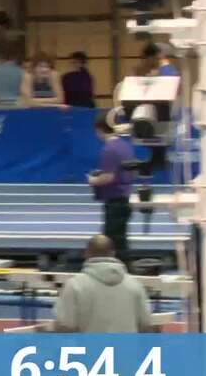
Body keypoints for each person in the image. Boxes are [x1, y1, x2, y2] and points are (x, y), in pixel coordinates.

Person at [55, 234, 153, 333]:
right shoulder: (135, 285)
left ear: (86, 254)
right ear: (113, 253)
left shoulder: (74, 285)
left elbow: (65, 325)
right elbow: (145, 324)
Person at [89, 114, 135, 259]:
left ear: (100, 130)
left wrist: (93, 180)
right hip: (125, 198)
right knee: (121, 241)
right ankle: (124, 266)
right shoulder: (125, 146)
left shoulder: (109, 149)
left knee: (112, 242)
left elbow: (108, 177)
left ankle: (119, 267)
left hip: (115, 202)